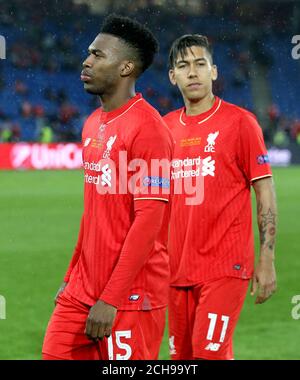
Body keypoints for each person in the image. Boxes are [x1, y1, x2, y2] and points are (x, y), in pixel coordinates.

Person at [42, 14, 173, 360]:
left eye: (99, 55)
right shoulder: (91, 124)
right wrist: (71, 275)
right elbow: (93, 213)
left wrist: (111, 298)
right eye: (89, 53)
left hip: (131, 297)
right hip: (80, 292)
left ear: (126, 66)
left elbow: (148, 221)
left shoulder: (150, 129)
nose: (86, 61)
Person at [164, 34, 277, 360]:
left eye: (201, 64)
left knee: (208, 354)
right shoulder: (164, 128)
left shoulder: (240, 123)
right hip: (176, 271)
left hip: (225, 267)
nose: (193, 72)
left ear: (214, 71)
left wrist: (267, 258)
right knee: (180, 360)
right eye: (184, 66)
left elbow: (265, 191)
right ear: (173, 76)